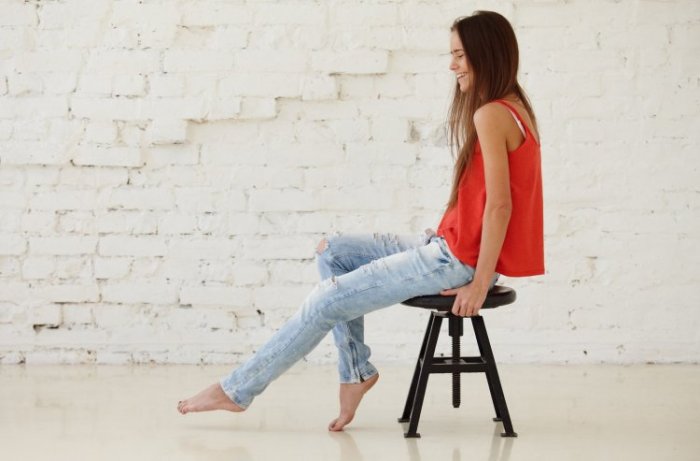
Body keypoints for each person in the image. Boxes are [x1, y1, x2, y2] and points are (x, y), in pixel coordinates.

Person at [177, 10, 544, 432]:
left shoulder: (490, 114)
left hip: (457, 261)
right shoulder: (515, 108)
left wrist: (479, 283)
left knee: (326, 300)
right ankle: (356, 372)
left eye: (460, 55)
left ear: (486, 54)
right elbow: (488, 202)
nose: (452, 65)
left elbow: (501, 207)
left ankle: (237, 389)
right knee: (332, 251)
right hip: (448, 245)